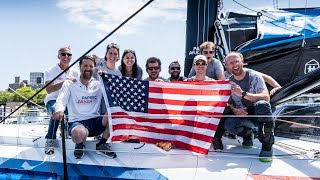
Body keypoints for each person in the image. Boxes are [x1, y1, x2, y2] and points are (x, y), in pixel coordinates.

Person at [53, 55, 117, 159]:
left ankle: (102, 144)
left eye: (91, 66)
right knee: (79, 133)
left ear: (94, 68)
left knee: (114, 115)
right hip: (78, 122)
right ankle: (79, 144)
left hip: (96, 121)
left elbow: (114, 90)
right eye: (85, 66)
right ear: (80, 67)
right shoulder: (69, 83)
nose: (88, 68)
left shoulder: (99, 84)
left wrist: (106, 77)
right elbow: (61, 99)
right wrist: (59, 110)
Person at [223, 52, 274, 162]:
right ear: (227, 66)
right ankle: (247, 135)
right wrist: (234, 109)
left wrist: (243, 94)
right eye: (231, 63)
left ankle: (267, 145)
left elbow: (266, 97)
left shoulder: (255, 76)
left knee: (262, 104)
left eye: (236, 61)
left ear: (242, 61)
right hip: (243, 116)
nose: (234, 64)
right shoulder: (228, 82)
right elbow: (229, 101)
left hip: (258, 115)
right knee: (228, 124)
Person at [44, 46, 79, 155]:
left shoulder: (75, 72)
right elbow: (49, 90)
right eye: (63, 54)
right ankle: (50, 139)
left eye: (69, 54)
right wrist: (65, 81)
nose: (66, 56)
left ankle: (67, 132)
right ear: (58, 56)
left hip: (68, 102)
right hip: (53, 100)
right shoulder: (50, 70)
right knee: (57, 111)